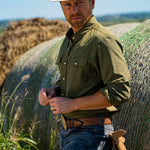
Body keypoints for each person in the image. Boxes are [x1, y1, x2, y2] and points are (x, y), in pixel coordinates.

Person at [38, 0, 130, 149]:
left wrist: (72, 104)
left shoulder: (103, 40)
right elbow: (72, 82)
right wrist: (54, 92)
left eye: (79, 2)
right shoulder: (68, 41)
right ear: (61, 7)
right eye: (67, 4)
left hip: (93, 134)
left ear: (92, 3)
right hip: (67, 132)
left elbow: (120, 91)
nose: (74, 10)